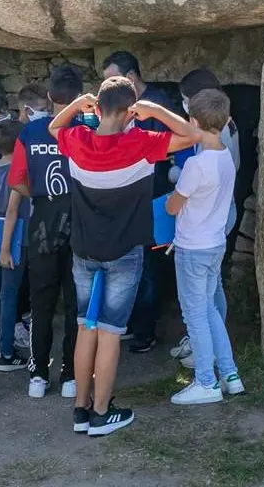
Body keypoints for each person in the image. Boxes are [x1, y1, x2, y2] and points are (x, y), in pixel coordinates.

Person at [50, 76, 198, 436]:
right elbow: (192, 135)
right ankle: (102, 412)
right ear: (131, 112)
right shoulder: (142, 144)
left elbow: (55, 126)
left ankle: (81, 409)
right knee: (112, 333)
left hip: (84, 250)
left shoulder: (77, 140)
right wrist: (156, 111)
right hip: (125, 252)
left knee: (86, 326)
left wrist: (75, 104)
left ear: (97, 108)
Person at [164, 89, 245, 405]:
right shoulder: (226, 157)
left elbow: (173, 206)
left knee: (195, 314)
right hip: (215, 244)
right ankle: (230, 374)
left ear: (193, 122)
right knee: (209, 310)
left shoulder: (197, 165)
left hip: (192, 248)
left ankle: (206, 382)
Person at [8, 65, 82, 399]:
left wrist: (38, 192)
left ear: (50, 97)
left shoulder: (30, 133)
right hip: (80, 222)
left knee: (42, 301)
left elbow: (15, 180)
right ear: (80, 97)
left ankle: (38, 373)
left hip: (42, 222)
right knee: (76, 301)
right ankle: (71, 374)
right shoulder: (87, 130)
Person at [100, 51, 176, 353]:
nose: (105, 89)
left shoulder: (158, 106)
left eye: (111, 80)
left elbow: (168, 149)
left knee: (149, 265)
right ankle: (132, 324)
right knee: (133, 263)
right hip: (131, 200)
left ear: (130, 78)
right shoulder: (122, 107)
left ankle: (145, 331)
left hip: (154, 198)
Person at [0, 119, 30, 372]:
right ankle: (6, 352)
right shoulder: (21, 170)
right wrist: (6, 248)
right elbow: (13, 210)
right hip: (13, 234)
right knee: (9, 294)